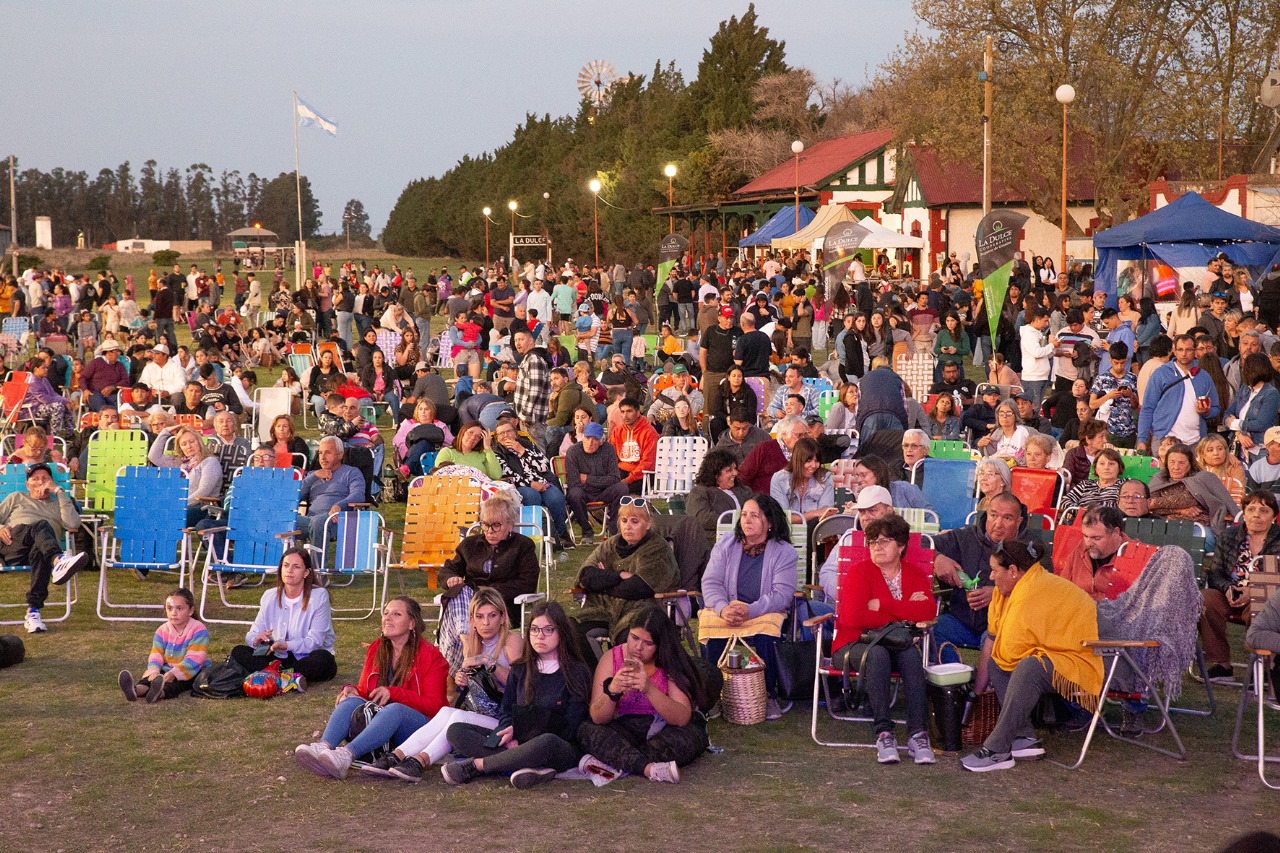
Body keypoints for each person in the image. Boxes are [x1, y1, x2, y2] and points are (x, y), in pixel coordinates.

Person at [960, 539, 1103, 772]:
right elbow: (999, 649)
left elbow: (1012, 652)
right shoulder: (1011, 591)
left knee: (1028, 667)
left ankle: (998, 749)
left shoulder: (1031, 592)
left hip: (1089, 655)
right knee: (999, 663)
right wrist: (977, 690)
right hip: (1056, 653)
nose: (991, 578)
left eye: (996, 571)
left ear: (1014, 571)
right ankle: (1024, 737)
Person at [360, 588, 525, 782]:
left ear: (503, 617)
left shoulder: (512, 640)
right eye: (479, 617)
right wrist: (463, 681)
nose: (486, 623)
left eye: (492, 616)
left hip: (507, 720)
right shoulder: (474, 645)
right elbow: (477, 689)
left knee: (455, 716)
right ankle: (398, 756)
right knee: (447, 713)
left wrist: (489, 663)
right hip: (482, 715)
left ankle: (419, 761)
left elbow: (520, 685)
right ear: (472, 620)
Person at [295, 596, 449, 780]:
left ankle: (346, 755)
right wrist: (351, 690)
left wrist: (394, 693)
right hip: (381, 724)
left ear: (411, 623)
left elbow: (436, 706)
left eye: (396, 614)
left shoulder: (432, 656)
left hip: (420, 730)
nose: (388, 618)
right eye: (385, 613)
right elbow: (366, 692)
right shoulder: (377, 648)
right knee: (352, 700)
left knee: (395, 709)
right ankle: (324, 747)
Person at [442, 600, 592, 788]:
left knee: (546, 742)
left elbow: (571, 725)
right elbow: (506, 710)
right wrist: (509, 731)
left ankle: (478, 765)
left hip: (557, 744)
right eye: (535, 630)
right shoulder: (521, 668)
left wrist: (524, 736)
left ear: (561, 632)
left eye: (548, 630)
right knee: (457, 731)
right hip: (518, 739)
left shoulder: (576, 672)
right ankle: (527, 767)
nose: (540, 636)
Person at [833, 514, 937, 765]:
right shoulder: (859, 572)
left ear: (901, 546)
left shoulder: (913, 574)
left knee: (911, 657)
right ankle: (884, 732)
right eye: (872, 542)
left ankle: (917, 734)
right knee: (878, 655)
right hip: (853, 644)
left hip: (896, 644)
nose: (876, 546)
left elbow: (927, 612)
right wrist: (903, 613)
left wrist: (882, 605)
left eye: (884, 541)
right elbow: (853, 616)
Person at [577, 605, 709, 784]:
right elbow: (597, 717)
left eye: (648, 643)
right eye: (634, 638)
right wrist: (613, 691)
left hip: (660, 728)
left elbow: (682, 718)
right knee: (586, 730)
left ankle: (619, 760)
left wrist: (649, 689)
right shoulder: (612, 657)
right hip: (623, 727)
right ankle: (648, 769)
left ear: (660, 645)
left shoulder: (668, 661)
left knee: (689, 736)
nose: (638, 647)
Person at [699, 495, 798, 720]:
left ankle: (768, 695)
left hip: (763, 610)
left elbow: (781, 595)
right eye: (744, 514)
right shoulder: (726, 545)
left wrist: (750, 610)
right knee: (711, 626)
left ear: (769, 523)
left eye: (754, 515)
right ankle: (712, 696)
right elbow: (710, 582)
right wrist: (723, 608)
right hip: (729, 608)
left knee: (767, 632)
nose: (747, 520)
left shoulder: (784, 552)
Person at [931, 493, 1037, 670]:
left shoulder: (1031, 548)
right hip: (961, 619)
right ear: (986, 514)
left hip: (1003, 624)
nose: (998, 524)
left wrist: (997, 593)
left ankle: (987, 689)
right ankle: (955, 678)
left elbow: (1038, 590)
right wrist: (937, 558)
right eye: (993, 515)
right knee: (932, 630)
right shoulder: (965, 537)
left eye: (1007, 518)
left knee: (997, 638)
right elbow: (920, 543)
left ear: (1018, 521)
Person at [574, 495, 680, 647]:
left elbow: (638, 588)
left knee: (629, 638)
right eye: (624, 521)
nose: (627, 526)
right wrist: (619, 576)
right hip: (602, 608)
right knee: (573, 633)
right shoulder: (609, 545)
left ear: (648, 523)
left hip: (640, 612)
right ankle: (594, 670)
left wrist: (603, 582)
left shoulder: (658, 548)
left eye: (635, 521)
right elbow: (586, 576)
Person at [1201, 490, 1280, 681]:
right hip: (1232, 594)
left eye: (1264, 510)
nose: (1256, 515)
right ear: (1243, 513)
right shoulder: (1229, 536)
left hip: (1268, 596)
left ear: (1274, 516)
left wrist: (1253, 591)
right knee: (1205, 599)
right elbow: (1215, 572)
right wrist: (1229, 588)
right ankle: (1222, 664)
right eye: (1251, 509)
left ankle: (1262, 668)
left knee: (1260, 605)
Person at [228, 547, 337, 685]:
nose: (289, 570)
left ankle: (275, 676)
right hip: (277, 657)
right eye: (286, 565)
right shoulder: (269, 596)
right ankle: (287, 678)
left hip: (306, 656)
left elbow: (315, 642)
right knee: (239, 651)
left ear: (306, 572)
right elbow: (252, 634)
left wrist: (285, 645)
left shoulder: (319, 596)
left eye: (296, 567)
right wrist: (257, 639)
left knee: (323, 659)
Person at [4, 463, 89, 634]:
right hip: (12, 544)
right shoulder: (16, 497)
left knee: (40, 551)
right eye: (35, 479)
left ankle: (33, 611)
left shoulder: (60, 503)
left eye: (45, 479)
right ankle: (59, 561)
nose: (40, 482)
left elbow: (73, 524)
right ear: (28, 484)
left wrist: (59, 491)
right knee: (40, 525)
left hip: (40, 551)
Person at [116, 587, 209, 704]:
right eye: (170, 608)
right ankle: (135, 690)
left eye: (179, 608)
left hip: (191, 670)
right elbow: (156, 654)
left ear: (190, 611)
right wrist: (154, 670)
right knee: (148, 679)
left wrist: (175, 673)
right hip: (166, 669)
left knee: (177, 685)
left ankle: (158, 693)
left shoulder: (198, 629)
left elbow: (195, 658)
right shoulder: (162, 630)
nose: (174, 613)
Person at [1136, 334, 1219, 452]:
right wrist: (1142, 440)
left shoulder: (1203, 376)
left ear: (1194, 351)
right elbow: (1148, 408)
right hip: (1164, 439)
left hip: (1196, 442)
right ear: (1174, 351)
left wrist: (1206, 412)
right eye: (1180, 349)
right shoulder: (1161, 374)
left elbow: (1216, 408)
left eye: (1188, 349)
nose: (1184, 354)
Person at [1149, 442, 1239, 530]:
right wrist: (1179, 510)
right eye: (1172, 462)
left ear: (1190, 464)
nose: (1176, 467)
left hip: (1197, 527)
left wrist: (1154, 503)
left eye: (1181, 463)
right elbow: (1146, 505)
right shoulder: (1160, 479)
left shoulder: (1201, 478)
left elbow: (1187, 499)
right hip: (1164, 526)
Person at [147, 425, 222, 527]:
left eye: (192, 442)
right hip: (180, 506)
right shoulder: (180, 463)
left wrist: (179, 504)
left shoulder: (209, 462)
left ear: (199, 442)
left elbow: (204, 491)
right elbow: (153, 457)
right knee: (149, 512)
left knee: (165, 516)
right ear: (180, 448)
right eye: (184, 444)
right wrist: (165, 432)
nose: (189, 446)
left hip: (203, 508)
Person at [297, 436, 366, 543]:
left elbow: (358, 494)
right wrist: (313, 477)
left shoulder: (351, 473)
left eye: (328, 452)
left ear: (340, 454)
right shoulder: (313, 475)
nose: (323, 457)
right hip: (310, 520)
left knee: (317, 522)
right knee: (281, 521)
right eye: (320, 453)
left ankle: (318, 560)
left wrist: (340, 505)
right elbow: (295, 497)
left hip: (337, 520)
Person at [687, 449, 753, 545]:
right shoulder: (700, 492)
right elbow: (703, 518)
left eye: (735, 469)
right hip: (717, 541)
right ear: (716, 474)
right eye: (729, 470)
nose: (735, 473)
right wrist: (740, 519)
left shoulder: (744, 490)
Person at [770, 436, 835, 527]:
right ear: (797, 460)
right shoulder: (779, 479)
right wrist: (814, 513)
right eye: (808, 461)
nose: (813, 465)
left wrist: (818, 514)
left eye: (817, 461)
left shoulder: (825, 477)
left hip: (815, 530)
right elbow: (782, 518)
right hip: (787, 532)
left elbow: (825, 514)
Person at [738, 415, 806, 494]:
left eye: (805, 435)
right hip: (765, 501)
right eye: (799, 435)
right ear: (784, 434)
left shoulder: (805, 452)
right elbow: (743, 476)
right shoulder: (765, 448)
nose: (804, 438)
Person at [609, 397, 659, 495]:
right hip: (621, 471)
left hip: (644, 474)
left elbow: (648, 463)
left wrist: (628, 480)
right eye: (622, 412)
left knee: (619, 491)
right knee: (603, 487)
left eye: (629, 411)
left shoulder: (649, 432)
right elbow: (610, 456)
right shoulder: (617, 431)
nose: (625, 415)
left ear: (637, 413)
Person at [1060, 448, 1126, 512]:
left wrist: (1093, 510)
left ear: (1119, 467)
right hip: (1082, 520)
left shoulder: (1125, 485)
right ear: (1096, 468)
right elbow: (1064, 501)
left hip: (1110, 521)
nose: (1106, 467)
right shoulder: (1085, 484)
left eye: (1111, 464)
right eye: (1102, 464)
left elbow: (1128, 505)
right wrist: (1078, 510)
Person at [435, 421, 503, 480]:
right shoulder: (447, 452)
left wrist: (488, 448)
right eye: (470, 432)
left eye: (478, 436)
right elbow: (439, 475)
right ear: (462, 432)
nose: (473, 437)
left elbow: (496, 475)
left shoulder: (482, 454)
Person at [81, 338, 129, 411]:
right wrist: (85, 390)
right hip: (94, 392)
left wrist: (113, 387)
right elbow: (83, 377)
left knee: (119, 408)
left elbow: (126, 381)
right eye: (117, 352)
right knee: (102, 406)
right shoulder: (95, 363)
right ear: (109, 353)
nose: (119, 354)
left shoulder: (120, 365)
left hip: (113, 393)